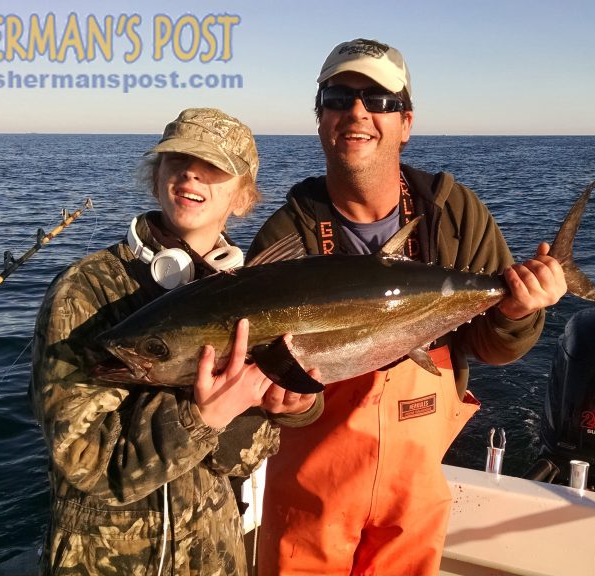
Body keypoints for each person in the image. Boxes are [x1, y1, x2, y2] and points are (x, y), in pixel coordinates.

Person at [250, 39, 568, 575]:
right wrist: (285, 401)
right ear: (320, 116)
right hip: (309, 493)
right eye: (339, 96)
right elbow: (263, 384)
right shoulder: (288, 235)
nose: (357, 112)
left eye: (379, 100)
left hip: (413, 485)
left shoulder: (451, 212)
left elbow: (490, 346)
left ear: (406, 121)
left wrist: (517, 312)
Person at [30, 108, 320, 576]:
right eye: (177, 160)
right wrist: (199, 416)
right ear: (157, 175)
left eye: (214, 167)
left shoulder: (258, 296)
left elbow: (238, 460)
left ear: (243, 197)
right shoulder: (85, 291)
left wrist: (285, 407)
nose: (190, 173)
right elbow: (83, 458)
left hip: (215, 557)